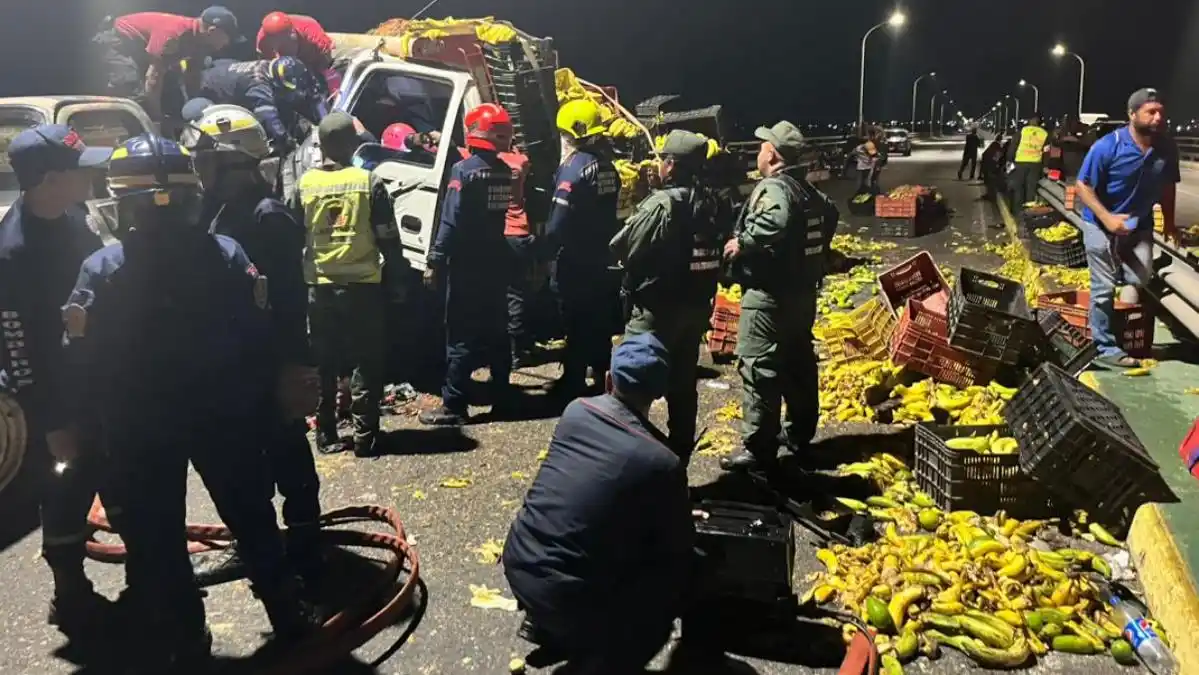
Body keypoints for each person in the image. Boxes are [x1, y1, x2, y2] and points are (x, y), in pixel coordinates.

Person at [63, 134, 319, 670]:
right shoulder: (227, 254)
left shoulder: (102, 269)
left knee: (157, 534)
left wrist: (89, 426)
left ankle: (185, 637)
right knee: (250, 514)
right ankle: (287, 610)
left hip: (141, 429)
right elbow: (260, 334)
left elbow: (82, 359)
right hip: (225, 416)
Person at [182, 104, 325, 578]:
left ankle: (305, 543)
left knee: (286, 450)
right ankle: (260, 542)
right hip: (235, 360)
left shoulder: (268, 218)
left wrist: (294, 369)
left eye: (205, 159)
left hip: (270, 359)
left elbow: (288, 301)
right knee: (248, 458)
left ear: (234, 163)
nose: (198, 168)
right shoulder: (221, 210)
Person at [503, 332, 693, 673]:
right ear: (660, 393)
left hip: (518, 562)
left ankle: (543, 621)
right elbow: (678, 546)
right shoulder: (662, 461)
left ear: (608, 379)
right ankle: (601, 658)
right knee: (666, 584)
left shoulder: (576, 410)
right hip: (569, 597)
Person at [0, 125, 111, 633]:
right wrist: (50, 424)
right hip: (54, 398)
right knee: (63, 493)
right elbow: (17, 351)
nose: (90, 174)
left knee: (115, 481)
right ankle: (70, 596)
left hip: (93, 382)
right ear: (48, 179)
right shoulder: (13, 254)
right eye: (77, 168)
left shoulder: (73, 219)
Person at [720, 121, 836, 473]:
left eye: (761, 147)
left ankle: (759, 450)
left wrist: (744, 242)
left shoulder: (774, 188)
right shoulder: (806, 189)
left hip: (769, 296)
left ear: (771, 153)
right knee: (798, 364)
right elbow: (829, 214)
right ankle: (798, 435)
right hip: (802, 295)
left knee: (760, 369)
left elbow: (777, 219)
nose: (757, 152)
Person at [610, 130, 724, 465]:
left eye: (662, 159)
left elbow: (624, 246)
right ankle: (678, 458)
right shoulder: (712, 201)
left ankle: (625, 461)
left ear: (671, 165)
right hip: (695, 306)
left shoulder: (663, 203)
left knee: (631, 384)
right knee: (682, 385)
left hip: (657, 310)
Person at [293, 112, 400, 456]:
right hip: (363, 287)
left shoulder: (304, 184)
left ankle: (325, 435)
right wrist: (398, 280)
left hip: (319, 287)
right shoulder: (369, 182)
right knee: (366, 361)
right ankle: (365, 437)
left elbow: (294, 235)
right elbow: (388, 238)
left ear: (322, 145)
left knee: (326, 363)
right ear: (353, 144)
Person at [419, 104, 516, 427]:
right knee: (498, 332)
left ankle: (454, 405)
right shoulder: (503, 170)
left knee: (460, 335)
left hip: (467, 264)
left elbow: (451, 220)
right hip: (496, 262)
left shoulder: (463, 172)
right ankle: (503, 397)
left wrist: (435, 259)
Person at [1075, 88, 1179, 368]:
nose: (1158, 117)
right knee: (1103, 287)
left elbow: (1168, 186)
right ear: (1132, 115)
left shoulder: (1167, 148)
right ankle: (1106, 347)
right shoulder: (1108, 146)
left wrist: (1169, 222)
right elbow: (1082, 186)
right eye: (1150, 112)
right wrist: (1107, 219)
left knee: (1140, 276)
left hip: (1138, 222)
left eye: (1161, 111)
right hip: (1100, 221)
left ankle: (1120, 319)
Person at [541, 99, 622, 398]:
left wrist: (544, 253)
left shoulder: (573, 169)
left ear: (569, 135)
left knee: (574, 319)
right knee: (598, 316)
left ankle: (573, 380)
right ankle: (602, 375)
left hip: (573, 258)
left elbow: (558, 221)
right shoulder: (607, 167)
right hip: (600, 256)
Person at [94, 7, 242, 121]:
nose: (228, 44)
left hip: (144, 50)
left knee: (173, 91)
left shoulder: (202, 44)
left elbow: (192, 77)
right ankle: (139, 133)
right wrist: (156, 118)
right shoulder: (174, 34)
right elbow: (153, 78)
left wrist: (195, 111)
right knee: (133, 89)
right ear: (213, 31)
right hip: (118, 40)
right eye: (228, 38)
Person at [198, 57, 327, 155]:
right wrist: (289, 144)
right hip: (208, 90)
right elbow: (268, 117)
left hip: (226, 72)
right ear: (277, 82)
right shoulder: (258, 83)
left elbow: (314, 96)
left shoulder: (278, 68)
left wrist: (325, 123)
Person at [256, 12, 338, 95]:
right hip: (285, 64)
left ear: (293, 32)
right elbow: (266, 66)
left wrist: (326, 77)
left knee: (331, 76)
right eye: (282, 46)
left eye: (288, 43)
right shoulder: (263, 41)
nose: (287, 48)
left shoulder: (313, 35)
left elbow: (327, 58)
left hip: (314, 55)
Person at [1007, 113, 1048, 211]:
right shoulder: (1045, 133)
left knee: (1018, 188)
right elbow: (1046, 151)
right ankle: (1029, 213)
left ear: (1030, 120)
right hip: (1035, 164)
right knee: (1031, 189)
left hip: (1020, 162)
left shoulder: (1023, 131)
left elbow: (1013, 146)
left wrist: (1009, 159)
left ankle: (1017, 211)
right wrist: (1045, 165)